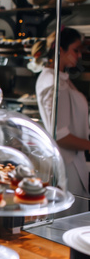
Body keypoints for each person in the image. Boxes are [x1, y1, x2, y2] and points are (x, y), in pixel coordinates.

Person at [34, 27, 90, 213]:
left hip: (73, 163)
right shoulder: (54, 84)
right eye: (75, 49)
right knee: (68, 223)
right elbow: (61, 135)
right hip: (68, 167)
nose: (79, 55)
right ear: (60, 50)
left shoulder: (59, 79)